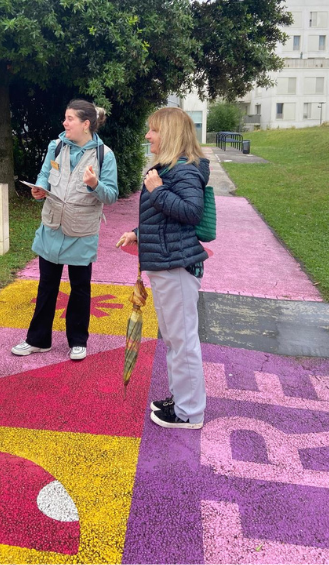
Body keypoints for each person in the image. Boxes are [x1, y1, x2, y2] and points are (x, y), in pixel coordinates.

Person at [118, 107, 209, 429]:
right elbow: (165, 221)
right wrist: (137, 233)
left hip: (176, 267)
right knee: (175, 339)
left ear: (169, 133)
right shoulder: (170, 170)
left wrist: (157, 190)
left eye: (153, 130)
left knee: (181, 341)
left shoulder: (182, 171)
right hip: (167, 264)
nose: (147, 136)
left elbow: (190, 212)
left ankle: (189, 412)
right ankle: (182, 399)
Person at [11, 99, 118, 361]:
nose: (64, 123)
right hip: (52, 225)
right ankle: (38, 340)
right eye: (65, 117)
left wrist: (95, 184)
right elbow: (45, 174)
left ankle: (78, 341)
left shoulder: (105, 155)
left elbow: (112, 196)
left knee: (80, 287)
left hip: (81, 230)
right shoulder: (56, 146)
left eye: (70, 118)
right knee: (46, 285)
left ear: (86, 124)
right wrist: (38, 189)